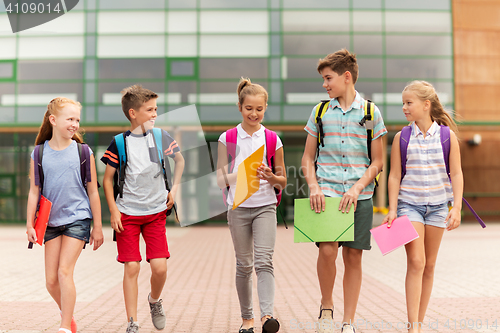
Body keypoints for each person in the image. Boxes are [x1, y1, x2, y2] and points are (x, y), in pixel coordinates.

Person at [301, 49, 387, 333]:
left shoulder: (370, 112)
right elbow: (307, 158)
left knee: (353, 257)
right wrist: (313, 186)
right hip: (326, 193)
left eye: (328, 78)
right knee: (327, 250)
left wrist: (358, 187)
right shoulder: (320, 111)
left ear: (346, 77)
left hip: (359, 197)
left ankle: (348, 321)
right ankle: (327, 309)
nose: (325, 84)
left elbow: (377, 162)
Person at [101, 85, 185, 333]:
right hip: (127, 214)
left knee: (159, 267)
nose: (154, 114)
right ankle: (132, 322)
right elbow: (107, 180)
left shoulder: (160, 137)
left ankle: (155, 300)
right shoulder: (119, 143)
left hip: (156, 213)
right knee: (133, 266)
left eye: (156, 109)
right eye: (149, 110)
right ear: (132, 113)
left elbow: (179, 161)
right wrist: (114, 211)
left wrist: (175, 190)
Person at [382, 80, 462, 333]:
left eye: (409, 102)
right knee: (416, 262)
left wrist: (456, 207)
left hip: (439, 207)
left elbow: (457, 174)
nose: (404, 107)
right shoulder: (401, 138)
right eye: (403, 103)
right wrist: (392, 209)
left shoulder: (447, 137)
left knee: (429, 265)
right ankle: (412, 326)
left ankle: (419, 322)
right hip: (409, 206)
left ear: (426, 105)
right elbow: (394, 175)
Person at [26, 97, 104, 333]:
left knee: (64, 272)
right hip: (50, 221)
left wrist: (98, 226)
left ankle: (64, 328)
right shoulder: (38, 154)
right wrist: (29, 224)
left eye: (77, 119)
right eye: (69, 119)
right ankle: (67, 314)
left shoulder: (83, 151)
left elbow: (92, 191)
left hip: (78, 218)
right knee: (51, 281)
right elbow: (33, 192)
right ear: (53, 120)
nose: (75, 124)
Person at [216, 78, 287, 333]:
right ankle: (247, 319)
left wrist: (271, 177)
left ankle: (267, 316)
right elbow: (220, 178)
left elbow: (283, 181)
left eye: (259, 109)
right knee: (243, 264)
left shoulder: (272, 139)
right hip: (238, 208)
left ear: (265, 108)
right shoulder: (228, 137)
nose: (254, 113)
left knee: (264, 261)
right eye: (248, 108)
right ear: (240, 107)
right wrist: (244, 174)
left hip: (265, 206)